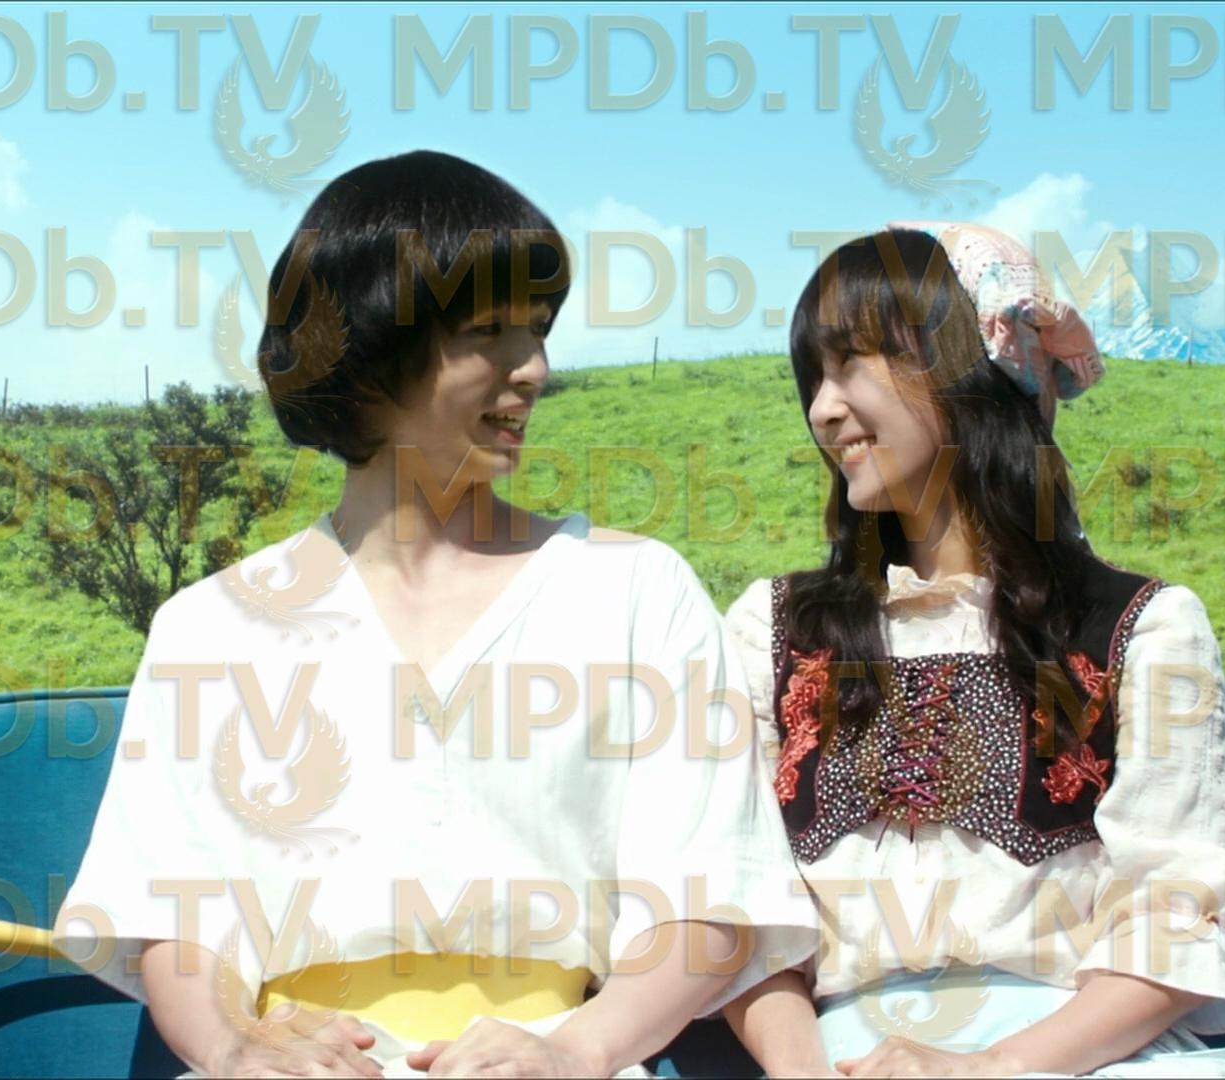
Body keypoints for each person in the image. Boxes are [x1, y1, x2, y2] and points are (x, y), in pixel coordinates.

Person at [51, 150, 818, 1078]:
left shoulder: (635, 593)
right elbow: (174, 922)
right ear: (367, 352)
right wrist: (235, 1046)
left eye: (539, 332)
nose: (535, 369)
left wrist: (572, 1051)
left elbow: (709, 903)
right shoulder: (211, 627)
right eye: (490, 332)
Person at [719, 223, 1225, 1078]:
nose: (822, 409)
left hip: (1073, 1056)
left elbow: (1175, 916)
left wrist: (987, 1069)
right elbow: (735, 905)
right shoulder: (773, 630)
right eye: (813, 377)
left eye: (852, 363)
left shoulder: (1143, 627)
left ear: (967, 367)